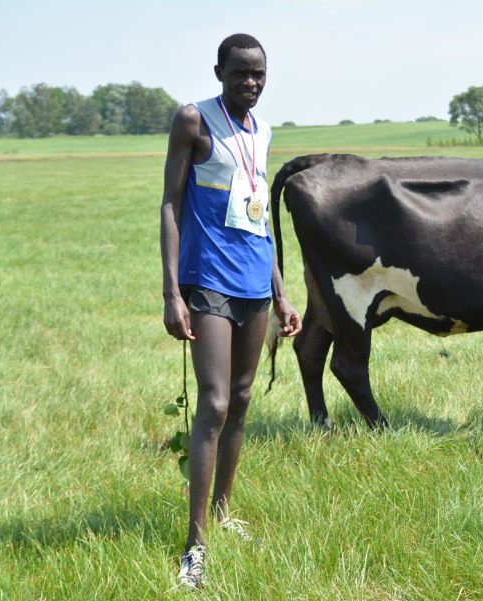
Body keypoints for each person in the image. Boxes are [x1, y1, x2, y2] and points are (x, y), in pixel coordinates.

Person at [159, 33, 301, 590]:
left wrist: (283, 293)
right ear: (219, 71)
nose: (251, 82)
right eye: (241, 73)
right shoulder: (193, 120)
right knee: (214, 404)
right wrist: (172, 292)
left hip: (254, 286)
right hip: (207, 281)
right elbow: (171, 203)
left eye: (259, 74)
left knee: (241, 400)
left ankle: (223, 514)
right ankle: (195, 546)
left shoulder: (262, 131)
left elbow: (260, 214)